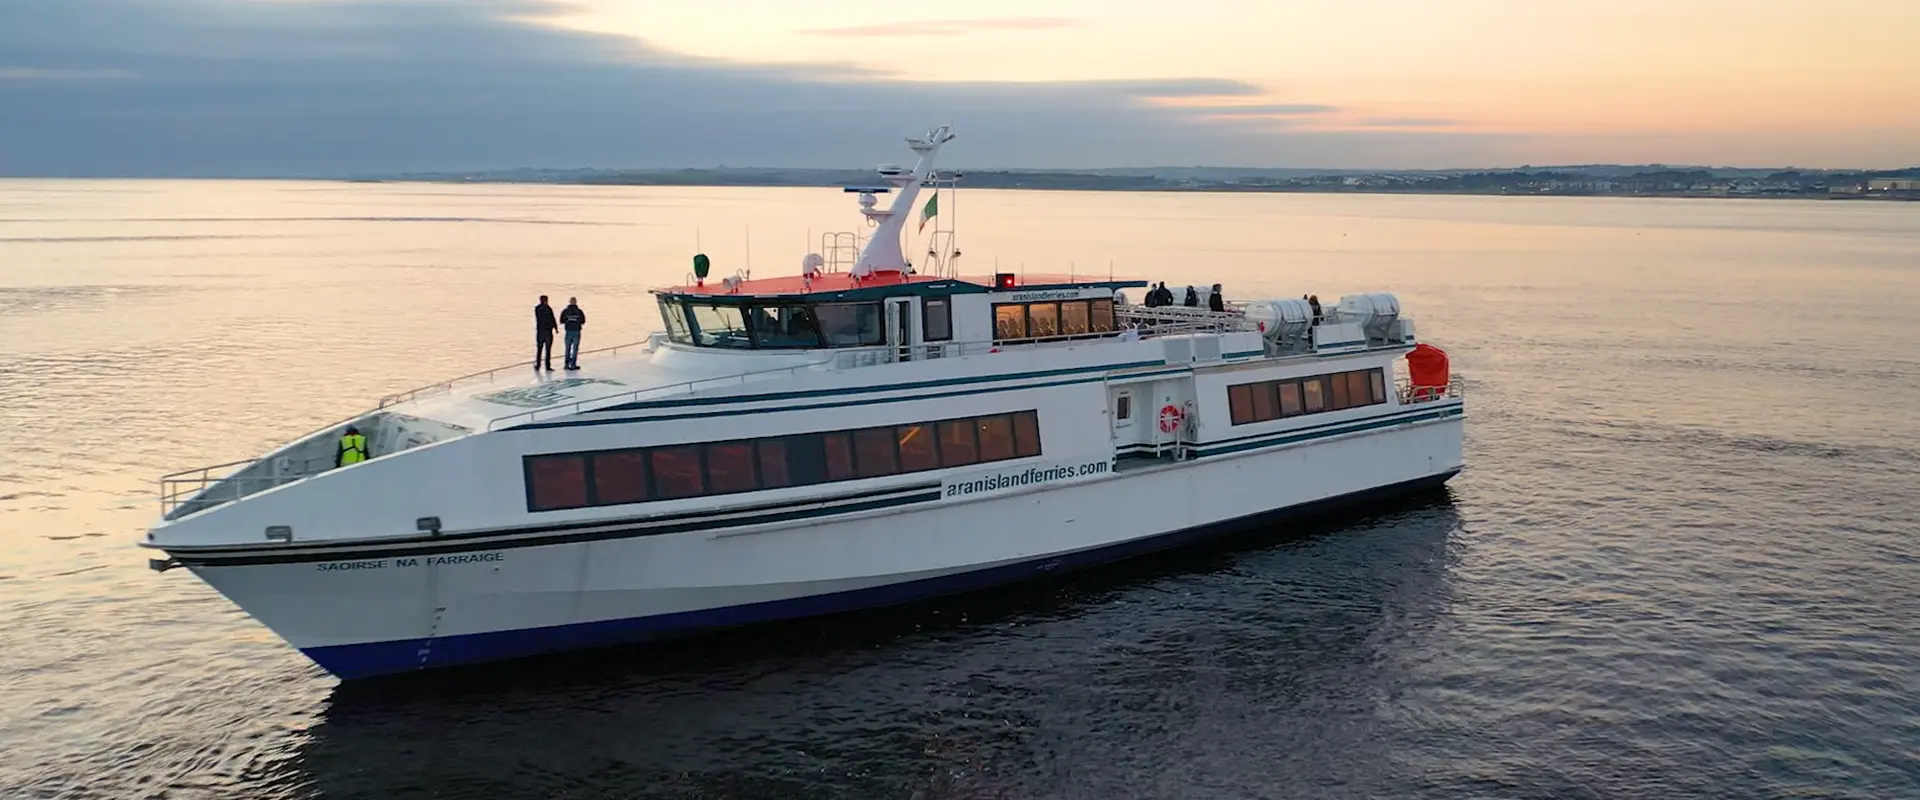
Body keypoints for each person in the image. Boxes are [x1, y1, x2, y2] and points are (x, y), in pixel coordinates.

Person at [559, 296, 586, 370]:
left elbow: (561, 321)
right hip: (576, 331)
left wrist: (568, 320)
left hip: (568, 331)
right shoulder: (579, 311)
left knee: (567, 348)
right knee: (575, 348)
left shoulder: (565, 311)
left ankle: (566, 364)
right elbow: (583, 321)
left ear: (569, 302)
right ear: (576, 302)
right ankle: (573, 364)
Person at [533, 295, 557, 371]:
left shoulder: (538, 308)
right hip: (546, 331)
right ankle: (546, 366)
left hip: (541, 331)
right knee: (546, 349)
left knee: (541, 349)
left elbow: (552, 318)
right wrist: (555, 327)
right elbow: (552, 318)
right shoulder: (546, 308)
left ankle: (538, 365)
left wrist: (555, 327)